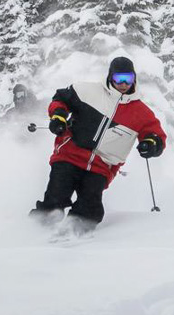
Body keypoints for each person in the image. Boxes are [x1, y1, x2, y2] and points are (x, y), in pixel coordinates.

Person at [32, 55, 166, 225]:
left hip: (101, 167)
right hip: (69, 156)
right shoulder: (87, 91)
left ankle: (75, 232)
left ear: (134, 79)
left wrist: (151, 144)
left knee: (90, 207)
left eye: (128, 78)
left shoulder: (140, 112)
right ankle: (37, 228)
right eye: (119, 78)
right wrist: (58, 116)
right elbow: (61, 99)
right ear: (110, 76)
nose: (124, 84)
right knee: (56, 196)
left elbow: (156, 135)